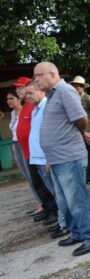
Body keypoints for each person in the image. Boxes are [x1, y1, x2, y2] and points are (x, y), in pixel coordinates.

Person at [34, 62, 90, 256]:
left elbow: (81, 118)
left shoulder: (64, 91)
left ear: (52, 74)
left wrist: (75, 134)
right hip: (57, 158)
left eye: (39, 75)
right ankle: (77, 233)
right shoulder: (52, 94)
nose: (36, 79)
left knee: (77, 200)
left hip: (69, 156)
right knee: (65, 202)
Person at [26, 81, 68, 238]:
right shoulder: (36, 108)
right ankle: (63, 221)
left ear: (41, 92)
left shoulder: (45, 107)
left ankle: (65, 224)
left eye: (30, 93)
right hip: (38, 159)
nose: (27, 96)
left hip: (45, 159)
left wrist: (49, 158)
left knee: (60, 194)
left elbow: (51, 135)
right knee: (56, 193)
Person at [3, 85, 43, 214]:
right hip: (16, 145)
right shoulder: (13, 113)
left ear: (18, 99)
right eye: (7, 99)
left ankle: (44, 203)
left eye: (11, 98)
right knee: (26, 176)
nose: (9, 101)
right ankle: (40, 202)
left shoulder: (27, 110)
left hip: (25, 145)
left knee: (33, 176)